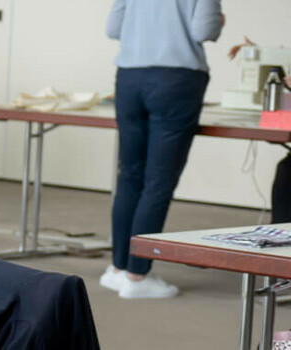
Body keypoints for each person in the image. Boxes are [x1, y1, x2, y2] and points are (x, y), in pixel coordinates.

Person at [101, 0, 222, 299]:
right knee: (158, 182)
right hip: (177, 80)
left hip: (129, 77)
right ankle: (137, 276)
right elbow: (203, 29)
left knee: (129, 175)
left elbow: (113, 28)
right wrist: (220, 20)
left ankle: (118, 269)